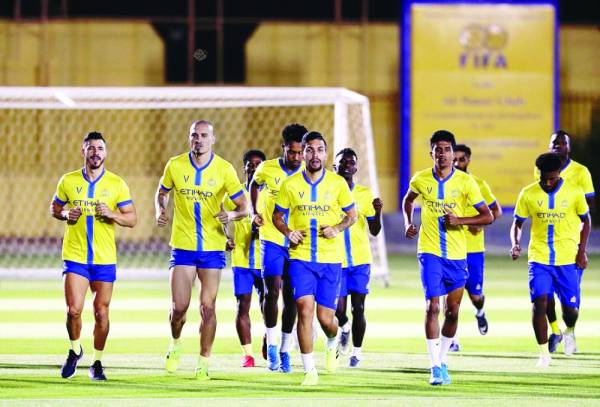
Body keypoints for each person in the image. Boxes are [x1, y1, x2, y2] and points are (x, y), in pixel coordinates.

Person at [156, 120, 248, 380]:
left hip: (212, 249)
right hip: (183, 247)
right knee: (179, 308)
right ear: (189, 138)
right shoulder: (175, 165)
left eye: (204, 135)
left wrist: (230, 214)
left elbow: (244, 207)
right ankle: (175, 343)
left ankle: (203, 363)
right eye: (194, 135)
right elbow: (162, 192)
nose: (199, 140)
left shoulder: (224, 169)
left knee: (208, 307)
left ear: (213, 139)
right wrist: (160, 209)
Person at [402, 130, 493, 386]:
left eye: (447, 150)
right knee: (432, 307)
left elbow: (487, 216)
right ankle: (433, 366)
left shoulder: (465, 182)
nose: (442, 154)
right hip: (429, 252)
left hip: (457, 255)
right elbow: (408, 200)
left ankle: (443, 361)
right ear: (431, 153)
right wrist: (408, 222)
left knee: (452, 312)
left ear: (453, 154)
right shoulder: (420, 179)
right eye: (438, 150)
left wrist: (460, 220)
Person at [50, 131, 137, 381]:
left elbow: (132, 218)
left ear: (105, 153)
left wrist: (112, 214)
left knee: (101, 312)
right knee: (73, 310)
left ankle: (97, 362)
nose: (95, 153)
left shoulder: (117, 184)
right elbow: (55, 207)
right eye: (91, 148)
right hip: (75, 256)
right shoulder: (68, 180)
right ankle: (75, 350)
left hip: (104, 259)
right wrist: (65, 214)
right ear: (83, 151)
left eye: (100, 148)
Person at [273, 131, 357, 386]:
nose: (314, 155)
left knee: (325, 319)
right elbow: (277, 216)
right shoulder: (290, 185)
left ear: (325, 153)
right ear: (303, 154)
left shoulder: (337, 184)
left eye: (319, 150)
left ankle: (333, 339)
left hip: (330, 260)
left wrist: (337, 228)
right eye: (309, 150)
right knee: (304, 310)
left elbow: (352, 216)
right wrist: (288, 231)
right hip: (300, 259)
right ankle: (310, 371)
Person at [512, 152, 590, 366]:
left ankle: (569, 330)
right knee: (539, 303)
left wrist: (581, 251)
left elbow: (586, 220)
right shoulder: (528, 193)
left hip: (567, 259)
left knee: (570, 311)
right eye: (543, 178)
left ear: (559, 173)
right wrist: (516, 243)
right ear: (538, 173)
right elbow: (517, 223)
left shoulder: (574, 192)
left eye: (552, 178)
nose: (547, 183)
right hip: (539, 258)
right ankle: (544, 354)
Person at [250, 123, 307, 372]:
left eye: (300, 152)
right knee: (272, 291)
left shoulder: (308, 172)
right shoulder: (267, 168)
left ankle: (285, 347)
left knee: (292, 297)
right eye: (291, 152)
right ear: (283, 147)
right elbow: (254, 184)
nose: (296, 157)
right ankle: (272, 344)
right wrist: (254, 211)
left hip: (297, 242)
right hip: (271, 238)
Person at [534, 130, 595, 353]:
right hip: (544, 247)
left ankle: (570, 330)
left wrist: (581, 248)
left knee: (569, 303)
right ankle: (555, 330)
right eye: (554, 143)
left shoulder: (581, 172)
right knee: (545, 295)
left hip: (570, 244)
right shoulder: (541, 168)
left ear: (569, 147)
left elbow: (589, 206)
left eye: (562, 143)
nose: (558, 146)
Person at [333, 148, 383, 367]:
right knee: (338, 310)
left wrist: (378, 212)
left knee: (359, 308)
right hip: (336, 260)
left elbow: (375, 230)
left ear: (356, 167)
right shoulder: (329, 192)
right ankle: (344, 328)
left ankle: (356, 353)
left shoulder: (365, 194)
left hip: (361, 260)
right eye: (342, 162)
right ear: (334, 167)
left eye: (351, 162)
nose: (347, 165)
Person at [450, 144, 502, 351]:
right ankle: (453, 340)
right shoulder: (445, 185)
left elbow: (496, 211)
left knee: (475, 295)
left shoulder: (478, 184)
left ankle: (480, 311)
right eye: (454, 159)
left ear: (468, 160)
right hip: (451, 247)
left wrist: (479, 225)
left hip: (473, 250)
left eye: (461, 159)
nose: (457, 163)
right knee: (452, 297)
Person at [224, 149, 267, 368]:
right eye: (250, 164)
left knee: (268, 305)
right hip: (241, 260)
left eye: (259, 164)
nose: (254, 167)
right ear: (245, 168)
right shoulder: (235, 194)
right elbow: (221, 218)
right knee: (242, 306)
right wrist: (226, 238)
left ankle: (269, 337)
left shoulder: (271, 193)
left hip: (265, 260)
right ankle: (248, 355)